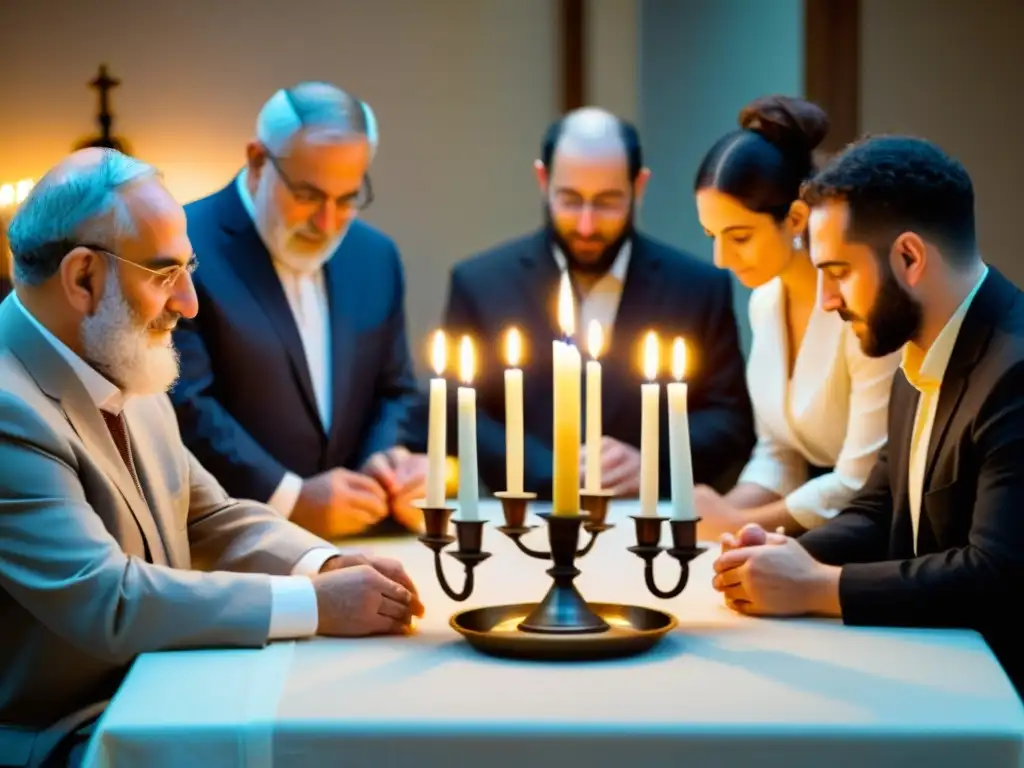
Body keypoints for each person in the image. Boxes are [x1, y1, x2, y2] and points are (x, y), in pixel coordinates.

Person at [0, 148, 424, 762]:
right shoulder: (9, 409)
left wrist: (320, 565)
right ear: (83, 278)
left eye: (189, 269)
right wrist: (313, 605)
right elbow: (107, 601)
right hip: (68, 736)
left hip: (160, 687)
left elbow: (207, 516)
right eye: (165, 274)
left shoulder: (119, 356)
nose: (190, 303)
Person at [711, 135, 1024, 696]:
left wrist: (818, 587)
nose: (827, 300)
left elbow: (995, 574)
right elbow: (880, 507)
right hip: (931, 667)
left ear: (909, 257)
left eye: (838, 271)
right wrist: (784, 555)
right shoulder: (914, 345)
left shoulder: (1015, 368)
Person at [422, 107, 754, 499]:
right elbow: (457, 408)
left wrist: (652, 461)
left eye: (607, 202)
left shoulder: (698, 286)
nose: (586, 225)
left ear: (639, 186)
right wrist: (550, 471)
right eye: (570, 200)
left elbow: (729, 418)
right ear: (543, 180)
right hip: (524, 516)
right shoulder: (479, 282)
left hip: (647, 517)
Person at [170, 82, 425, 540]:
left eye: (347, 198)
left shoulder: (376, 256)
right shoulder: (183, 245)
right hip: (229, 545)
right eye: (308, 194)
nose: (328, 222)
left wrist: (382, 461)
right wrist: (288, 497)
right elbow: (182, 402)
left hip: (363, 539)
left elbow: (396, 389)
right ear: (256, 160)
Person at [692, 95, 901, 539]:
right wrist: (717, 520)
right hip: (811, 530)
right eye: (712, 235)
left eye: (740, 236)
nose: (720, 259)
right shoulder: (765, 300)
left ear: (795, 217)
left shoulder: (860, 306)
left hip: (880, 537)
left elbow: (860, 479)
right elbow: (779, 452)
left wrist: (731, 522)